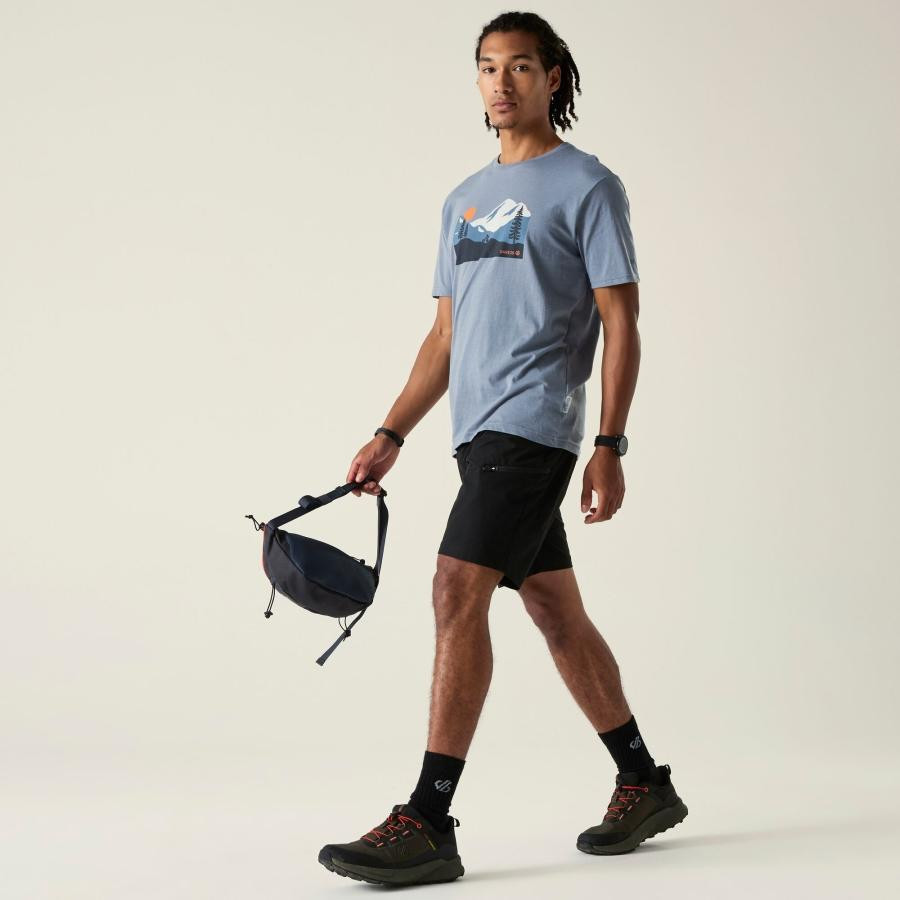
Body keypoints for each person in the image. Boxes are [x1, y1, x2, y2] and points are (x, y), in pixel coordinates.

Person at [318, 11, 687, 887]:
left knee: (455, 588)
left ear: (553, 77)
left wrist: (609, 442)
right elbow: (443, 338)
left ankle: (428, 818)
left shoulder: (589, 186)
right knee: (555, 610)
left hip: (535, 426)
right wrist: (390, 432)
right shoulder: (462, 200)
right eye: (488, 66)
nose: (501, 82)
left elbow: (622, 321)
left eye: (521, 66)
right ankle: (644, 781)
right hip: (475, 433)